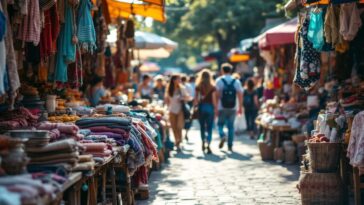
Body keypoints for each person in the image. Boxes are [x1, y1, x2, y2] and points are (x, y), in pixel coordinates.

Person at [215, 63, 243, 151]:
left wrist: (215, 107)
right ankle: (230, 145)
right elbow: (240, 95)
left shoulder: (219, 81)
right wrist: (240, 107)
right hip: (233, 107)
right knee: (231, 126)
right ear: (231, 71)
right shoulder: (236, 81)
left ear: (222, 70)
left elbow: (217, 95)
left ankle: (222, 135)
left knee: (220, 124)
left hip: (221, 107)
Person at [165, 74, 190, 152]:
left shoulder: (181, 88)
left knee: (179, 127)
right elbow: (166, 100)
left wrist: (182, 98)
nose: (180, 80)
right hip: (171, 110)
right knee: (173, 127)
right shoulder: (169, 88)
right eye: (178, 79)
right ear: (173, 80)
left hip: (180, 110)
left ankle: (179, 141)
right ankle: (177, 142)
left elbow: (188, 97)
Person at [194, 69, 217, 154]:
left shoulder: (198, 86)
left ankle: (203, 141)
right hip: (210, 107)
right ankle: (209, 143)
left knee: (202, 127)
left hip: (201, 107)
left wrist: (194, 107)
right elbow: (214, 99)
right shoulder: (212, 87)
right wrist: (215, 109)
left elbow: (196, 99)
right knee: (210, 127)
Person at [181, 75, 193, 141]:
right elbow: (191, 96)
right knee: (188, 119)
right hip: (188, 104)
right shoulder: (189, 86)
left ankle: (183, 134)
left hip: (181, 105)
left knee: (182, 120)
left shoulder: (180, 86)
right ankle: (186, 133)